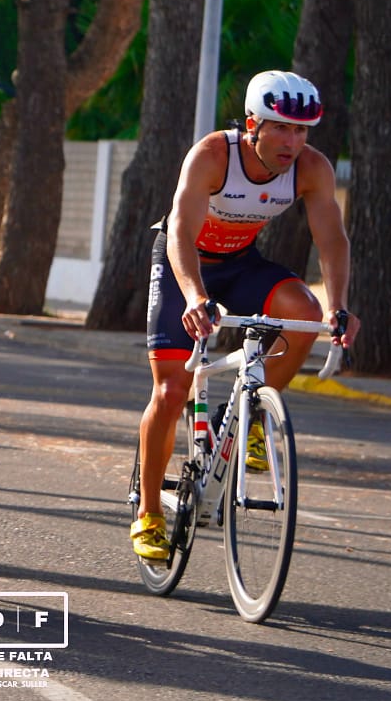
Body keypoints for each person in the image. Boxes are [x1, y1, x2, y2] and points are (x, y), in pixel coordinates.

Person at [131, 70, 360, 561]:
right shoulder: (213, 155)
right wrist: (194, 297)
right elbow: (180, 233)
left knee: (306, 314)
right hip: (182, 263)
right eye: (280, 127)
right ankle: (149, 511)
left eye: (302, 130)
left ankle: (250, 414)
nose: (292, 141)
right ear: (252, 125)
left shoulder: (311, 168)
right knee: (171, 390)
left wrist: (340, 306)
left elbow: (332, 239)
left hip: (240, 265)